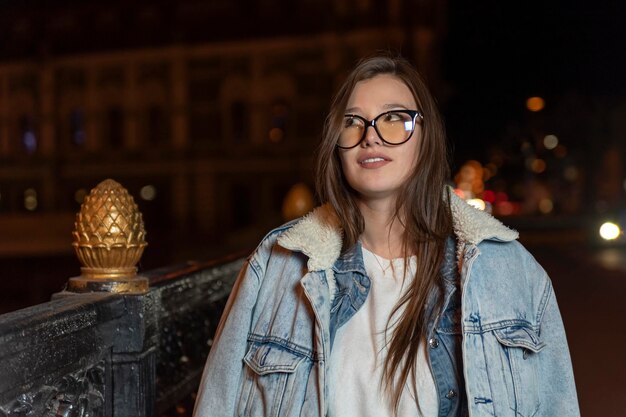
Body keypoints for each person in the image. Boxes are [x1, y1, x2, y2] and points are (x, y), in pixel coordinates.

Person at [192, 55, 580, 417]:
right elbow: (216, 403)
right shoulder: (276, 265)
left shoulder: (510, 271)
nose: (370, 136)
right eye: (353, 121)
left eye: (394, 117)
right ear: (336, 145)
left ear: (424, 135)